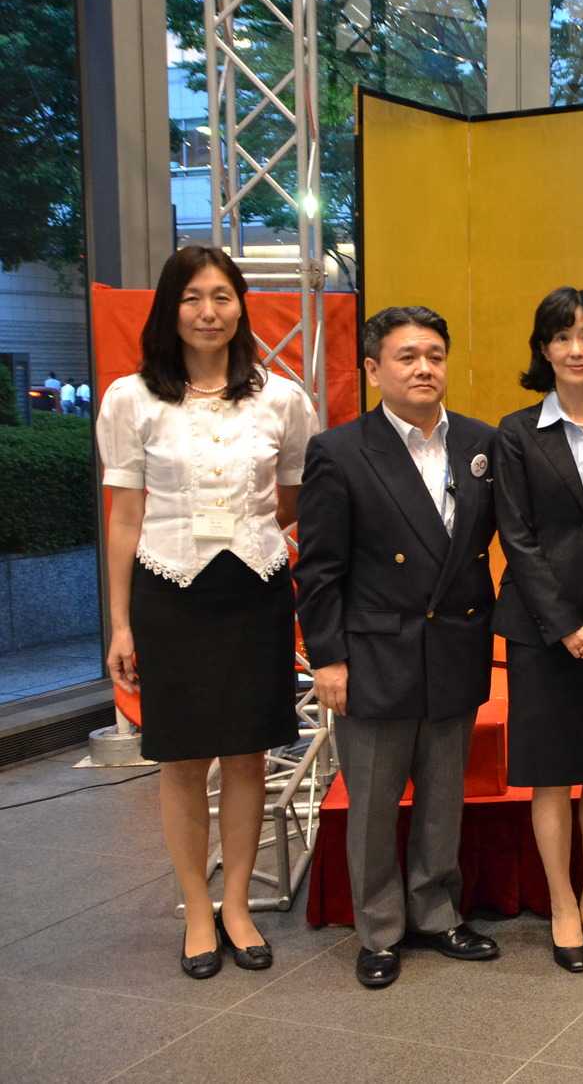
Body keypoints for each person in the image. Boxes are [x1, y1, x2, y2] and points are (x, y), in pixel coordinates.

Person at [97, 245, 315, 980]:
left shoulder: (281, 397)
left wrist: (249, 528)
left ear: (241, 306)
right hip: (169, 592)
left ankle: (238, 907)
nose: (209, 311)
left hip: (253, 590)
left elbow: (291, 497)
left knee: (248, 753)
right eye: (193, 297)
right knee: (183, 759)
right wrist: (122, 624)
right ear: (169, 308)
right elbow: (125, 517)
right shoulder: (131, 399)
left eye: (222, 296)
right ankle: (196, 909)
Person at [295, 305, 501, 990]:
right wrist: (326, 657)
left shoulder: (480, 443)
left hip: (454, 645)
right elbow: (319, 568)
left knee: (444, 795)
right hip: (375, 652)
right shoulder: (340, 450)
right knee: (375, 801)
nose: (424, 368)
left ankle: (438, 912)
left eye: (435, 355)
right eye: (408, 356)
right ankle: (379, 929)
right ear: (374, 368)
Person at [492, 287, 583, 973]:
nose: (577, 349)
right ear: (543, 348)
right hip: (539, 630)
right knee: (551, 777)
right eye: (562, 336)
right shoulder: (515, 433)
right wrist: (566, 626)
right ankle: (559, 905)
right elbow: (515, 539)